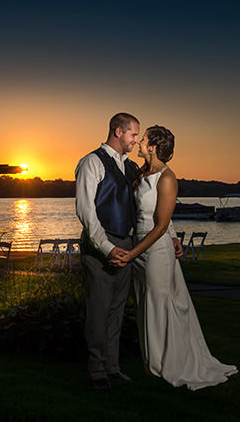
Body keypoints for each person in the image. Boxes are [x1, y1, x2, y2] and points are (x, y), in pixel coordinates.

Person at [75, 113, 182, 391]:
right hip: (102, 247)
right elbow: (86, 212)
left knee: (117, 309)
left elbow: (149, 207)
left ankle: (113, 367)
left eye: (138, 137)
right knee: (98, 309)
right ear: (118, 131)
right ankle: (96, 371)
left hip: (127, 244)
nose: (137, 140)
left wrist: (170, 234)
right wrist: (107, 248)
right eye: (134, 135)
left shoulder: (132, 167)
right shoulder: (92, 162)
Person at [126, 125, 237, 390]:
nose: (139, 142)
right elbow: (162, 218)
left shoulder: (167, 177)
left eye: (143, 139)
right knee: (146, 305)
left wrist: (132, 253)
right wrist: (173, 236)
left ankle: (173, 365)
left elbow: (161, 225)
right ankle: (154, 364)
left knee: (161, 306)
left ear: (152, 146)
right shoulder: (142, 173)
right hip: (141, 245)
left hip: (154, 250)